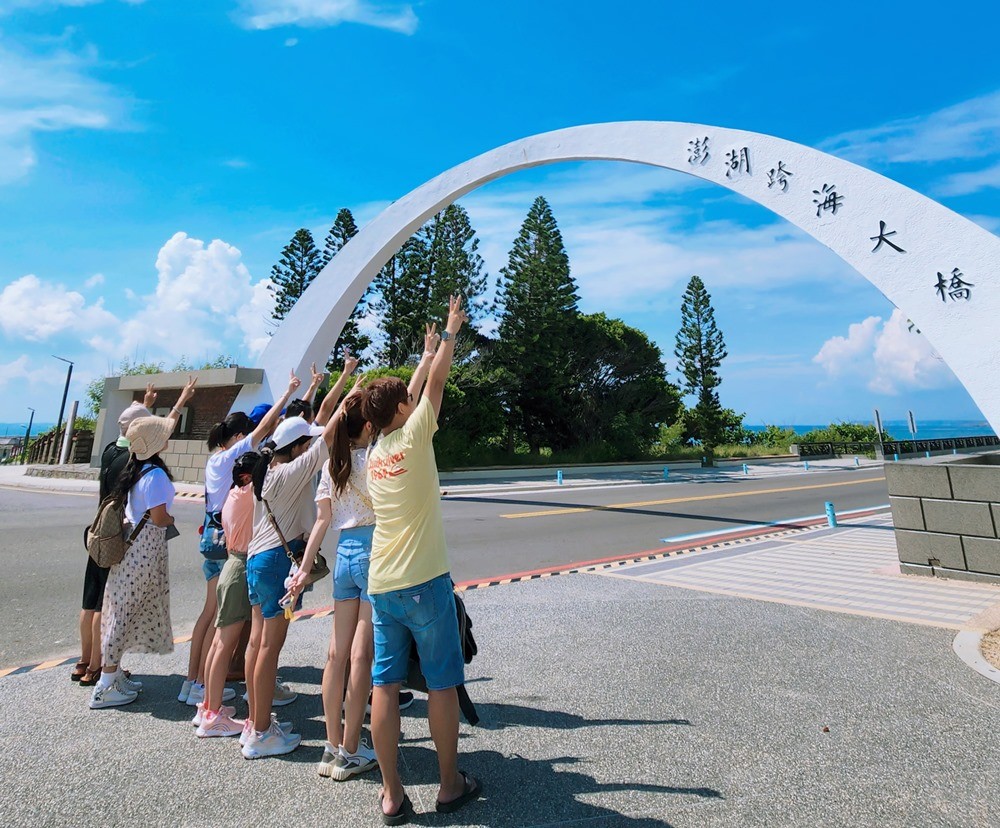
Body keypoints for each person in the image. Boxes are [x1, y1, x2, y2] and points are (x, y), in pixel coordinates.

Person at [292, 334, 438, 780]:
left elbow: (320, 523)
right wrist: (427, 357)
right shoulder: (376, 455)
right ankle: (352, 750)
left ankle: (330, 747)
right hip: (376, 554)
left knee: (334, 655)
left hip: (345, 557)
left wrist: (301, 572)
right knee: (362, 658)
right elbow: (407, 401)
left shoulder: (332, 465)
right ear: (370, 426)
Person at [361, 298, 480, 824]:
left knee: (383, 686)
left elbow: (405, 396)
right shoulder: (415, 435)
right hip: (425, 581)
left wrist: (424, 352)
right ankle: (449, 783)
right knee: (440, 684)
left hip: (381, 583)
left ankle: (392, 795)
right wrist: (450, 334)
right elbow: (431, 390)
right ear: (403, 413)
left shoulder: (374, 453)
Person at [242, 353, 358, 759]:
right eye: (305, 441)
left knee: (257, 645)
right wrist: (352, 394)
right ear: (298, 446)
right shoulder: (291, 473)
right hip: (277, 562)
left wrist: (342, 381)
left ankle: (256, 723)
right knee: (269, 649)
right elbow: (327, 435)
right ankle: (259, 732)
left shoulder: (268, 472)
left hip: (258, 562)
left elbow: (318, 430)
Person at [180, 371, 306, 708]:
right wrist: (289, 392)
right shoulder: (230, 460)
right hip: (229, 546)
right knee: (223, 623)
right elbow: (264, 426)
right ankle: (205, 690)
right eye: (248, 436)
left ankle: (196, 682)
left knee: (214, 615)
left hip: (213, 535)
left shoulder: (217, 463)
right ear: (238, 436)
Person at [89, 409, 187, 709]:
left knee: (120, 609)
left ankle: (114, 673)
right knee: (124, 614)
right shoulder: (155, 474)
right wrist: (171, 515)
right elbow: (159, 518)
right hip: (144, 550)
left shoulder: (137, 469)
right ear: (155, 442)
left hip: (131, 548)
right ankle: (105, 684)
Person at [74, 386, 155, 687]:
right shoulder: (133, 460)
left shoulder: (110, 450)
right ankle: (98, 667)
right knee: (104, 606)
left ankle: (83, 662)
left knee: (90, 599)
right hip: (115, 536)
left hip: (97, 531)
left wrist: (143, 406)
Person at [195, 451, 258, 737]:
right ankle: (213, 715)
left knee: (220, 642)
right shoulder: (248, 495)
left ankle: (209, 705)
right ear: (247, 477)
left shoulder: (232, 495)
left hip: (231, 565)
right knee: (225, 643)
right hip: (240, 567)